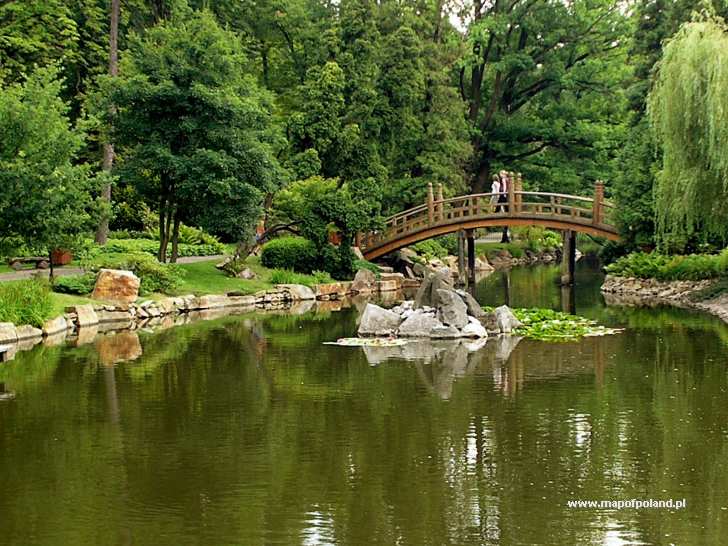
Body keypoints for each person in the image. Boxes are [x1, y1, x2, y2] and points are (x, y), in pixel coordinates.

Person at [498, 170, 511, 242]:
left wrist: (504, 193)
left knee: (499, 205)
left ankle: (505, 238)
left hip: (503, 195)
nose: (500, 175)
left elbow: (505, 187)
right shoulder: (507, 179)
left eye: (500, 174)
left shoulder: (503, 179)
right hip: (505, 196)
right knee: (506, 216)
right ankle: (505, 238)